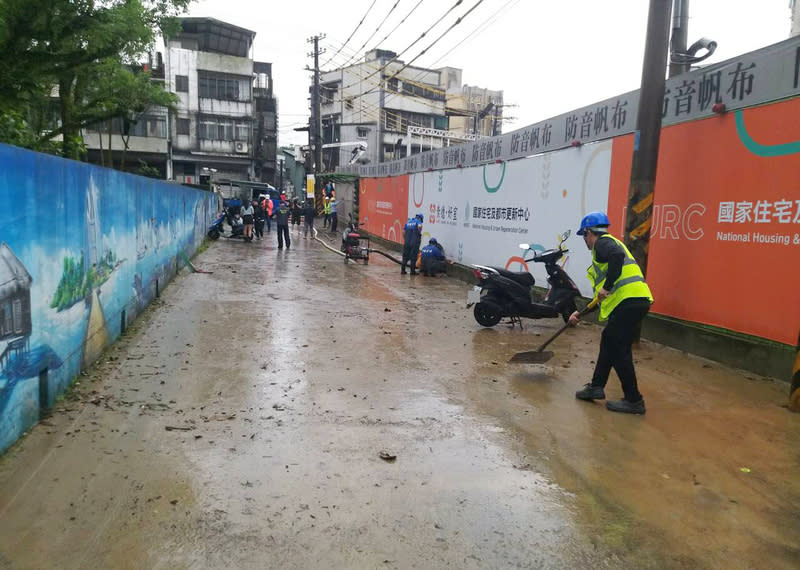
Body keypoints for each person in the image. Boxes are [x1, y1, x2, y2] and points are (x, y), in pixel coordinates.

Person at [569, 211, 654, 415]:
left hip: (630, 301)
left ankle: (634, 400)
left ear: (590, 232)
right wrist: (579, 315)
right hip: (634, 301)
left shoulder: (603, 243)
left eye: (584, 236)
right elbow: (602, 297)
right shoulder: (608, 246)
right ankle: (596, 387)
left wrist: (607, 285)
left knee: (619, 348)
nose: (585, 241)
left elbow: (612, 270)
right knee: (609, 340)